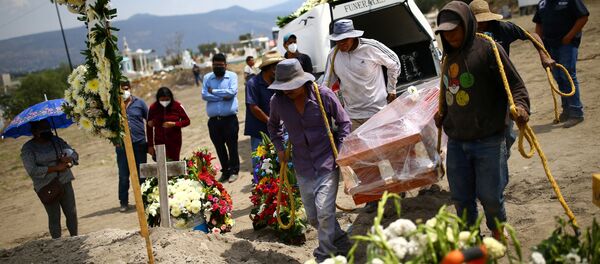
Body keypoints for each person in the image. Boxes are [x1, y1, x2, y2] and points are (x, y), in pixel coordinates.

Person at [434, 1, 530, 239]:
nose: (450, 35)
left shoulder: (489, 48)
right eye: (445, 31)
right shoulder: (447, 57)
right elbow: (449, 92)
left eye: (454, 29)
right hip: (457, 140)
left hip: (488, 138)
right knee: (461, 196)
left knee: (490, 196)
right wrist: (442, 113)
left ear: (467, 24)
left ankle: (498, 232)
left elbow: (515, 85)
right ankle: (470, 237)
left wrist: (521, 107)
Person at [267, 59, 352, 262]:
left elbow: (344, 122)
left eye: (291, 87)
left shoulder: (323, 95)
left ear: (301, 81)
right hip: (302, 166)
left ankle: (324, 255)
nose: (287, 91)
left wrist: (340, 151)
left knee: (324, 211)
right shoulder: (277, 102)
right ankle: (341, 241)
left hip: (327, 162)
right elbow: (273, 127)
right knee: (314, 217)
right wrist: (279, 149)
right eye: (283, 87)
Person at [322, 18, 401, 213]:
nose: (342, 44)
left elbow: (394, 63)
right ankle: (373, 197)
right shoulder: (333, 56)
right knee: (362, 158)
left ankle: (396, 190)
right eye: (338, 41)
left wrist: (392, 89)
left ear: (353, 36)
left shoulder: (371, 47)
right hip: (353, 115)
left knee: (385, 153)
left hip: (378, 111)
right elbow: (326, 82)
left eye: (345, 40)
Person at [469, 0, 555, 156]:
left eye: (483, 21)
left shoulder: (502, 28)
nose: (480, 25)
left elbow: (533, 35)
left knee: (506, 133)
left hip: (503, 85)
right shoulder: (466, 35)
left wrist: (543, 55)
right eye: (476, 22)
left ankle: (502, 155)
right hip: (477, 88)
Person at [533, 0, 589, 128]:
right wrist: (540, 46)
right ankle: (567, 109)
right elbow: (539, 25)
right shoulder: (543, 3)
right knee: (558, 77)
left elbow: (583, 17)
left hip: (567, 45)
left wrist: (569, 36)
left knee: (568, 75)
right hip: (549, 46)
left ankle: (576, 112)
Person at [21, 120, 78, 239]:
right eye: (43, 129)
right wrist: (55, 168)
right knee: (54, 217)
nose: (47, 131)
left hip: (65, 181)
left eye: (48, 128)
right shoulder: (28, 149)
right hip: (46, 186)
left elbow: (74, 154)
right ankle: (57, 243)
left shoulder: (57, 141)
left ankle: (75, 238)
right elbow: (32, 170)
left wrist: (69, 159)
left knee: (71, 213)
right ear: (35, 131)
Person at [202, 53, 240, 183]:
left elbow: (232, 92)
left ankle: (234, 171)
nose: (218, 67)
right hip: (213, 121)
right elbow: (204, 95)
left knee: (232, 146)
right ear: (212, 65)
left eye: (220, 65)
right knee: (219, 147)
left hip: (229, 119)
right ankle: (225, 171)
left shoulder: (232, 76)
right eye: (215, 65)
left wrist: (214, 92)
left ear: (225, 65)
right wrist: (222, 95)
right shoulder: (207, 78)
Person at [244, 50, 284, 172]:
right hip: (259, 131)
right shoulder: (253, 83)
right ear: (269, 69)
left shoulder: (280, 82)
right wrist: (271, 122)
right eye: (277, 67)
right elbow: (253, 107)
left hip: (278, 131)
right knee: (261, 165)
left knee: (280, 164)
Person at [115, 80, 148, 212]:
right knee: (123, 175)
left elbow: (149, 120)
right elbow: (108, 128)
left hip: (139, 144)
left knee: (142, 173)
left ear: (130, 88)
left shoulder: (139, 103)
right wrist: (114, 140)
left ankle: (145, 200)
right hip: (122, 146)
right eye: (121, 89)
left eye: (126, 88)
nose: (124, 91)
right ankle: (123, 202)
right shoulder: (114, 107)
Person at [147, 87, 190, 161]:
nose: (164, 102)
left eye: (167, 99)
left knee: (174, 163)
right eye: (162, 100)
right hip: (159, 142)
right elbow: (149, 127)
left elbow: (187, 121)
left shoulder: (177, 106)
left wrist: (175, 124)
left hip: (175, 142)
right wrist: (150, 145)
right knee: (162, 164)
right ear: (158, 99)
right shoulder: (153, 107)